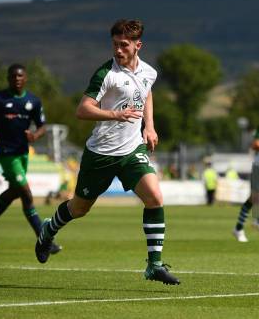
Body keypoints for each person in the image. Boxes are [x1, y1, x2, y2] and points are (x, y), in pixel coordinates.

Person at [35, 19, 180, 285]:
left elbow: (146, 93)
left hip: (131, 150)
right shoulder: (106, 74)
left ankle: (154, 265)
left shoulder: (149, 72)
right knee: (79, 209)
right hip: (100, 153)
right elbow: (82, 109)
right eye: (115, 44)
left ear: (138, 45)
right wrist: (116, 114)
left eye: (124, 45)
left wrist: (149, 126)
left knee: (155, 197)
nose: (118, 50)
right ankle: (48, 230)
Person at [0, 64, 61, 254]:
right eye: (13, 76)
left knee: (16, 191)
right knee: (27, 195)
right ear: (8, 78)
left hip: (23, 154)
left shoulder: (33, 101)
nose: (17, 79)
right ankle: (45, 241)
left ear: (26, 78)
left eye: (20, 76)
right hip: (5, 153)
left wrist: (35, 136)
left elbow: (42, 126)